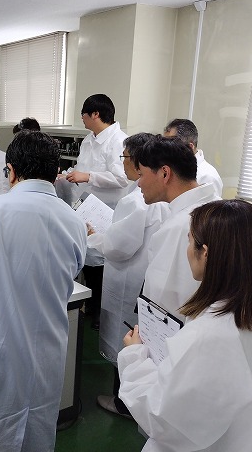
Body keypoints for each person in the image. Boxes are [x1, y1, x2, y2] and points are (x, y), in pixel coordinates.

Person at [0, 131, 87, 452]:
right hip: (48, 358)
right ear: (55, 172)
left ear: (10, 171)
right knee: (37, 434)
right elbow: (71, 273)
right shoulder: (74, 221)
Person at [118, 199, 252, 451]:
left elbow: (161, 417)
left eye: (190, 241)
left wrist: (134, 356)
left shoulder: (208, 336)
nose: (187, 250)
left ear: (205, 253)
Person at [88, 133, 170, 418]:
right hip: (146, 280)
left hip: (128, 280)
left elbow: (118, 247)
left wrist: (95, 235)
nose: (121, 163)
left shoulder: (137, 200)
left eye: (123, 157)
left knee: (126, 340)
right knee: (143, 341)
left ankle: (123, 402)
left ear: (137, 162)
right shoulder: (160, 197)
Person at [59, 93, 129, 330]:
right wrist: (68, 176)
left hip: (108, 211)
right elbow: (81, 170)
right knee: (87, 257)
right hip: (86, 206)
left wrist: (88, 176)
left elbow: (122, 178)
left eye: (84, 114)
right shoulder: (89, 140)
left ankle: (99, 312)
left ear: (96, 114)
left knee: (102, 262)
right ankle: (88, 307)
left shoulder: (119, 141)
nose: (82, 119)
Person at [136, 135, 219, 320]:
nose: (139, 183)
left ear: (165, 173)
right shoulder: (217, 207)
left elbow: (159, 301)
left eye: (141, 174)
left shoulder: (180, 227)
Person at [163, 118, 223, 197]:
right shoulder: (170, 169)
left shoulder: (208, 177)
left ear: (189, 147)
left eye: (171, 146)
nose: (165, 151)